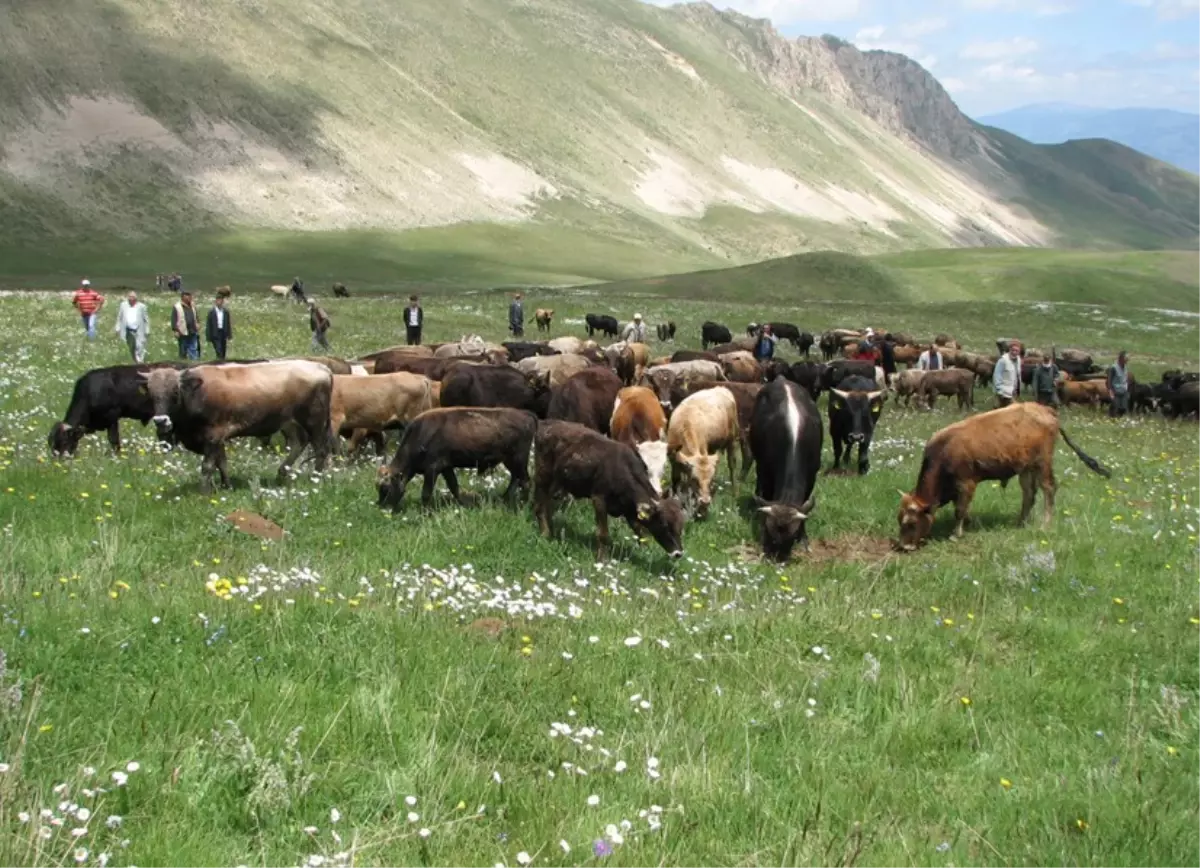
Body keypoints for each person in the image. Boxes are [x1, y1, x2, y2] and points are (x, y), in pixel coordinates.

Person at [113, 291, 150, 363]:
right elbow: (119, 317)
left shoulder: (142, 306)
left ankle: (140, 362)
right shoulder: (123, 305)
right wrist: (117, 327)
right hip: (128, 330)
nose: (130, 298)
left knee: (140, 346)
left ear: (136, 298)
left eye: (132, 297)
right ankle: (135, 360)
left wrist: (147, 330)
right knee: (131, 347)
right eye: (129, 297)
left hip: (139, 330)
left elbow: (146, 319)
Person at [992, 340, 1022, 408]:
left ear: (1019, 351)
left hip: (1013, 392)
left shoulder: (1018, 360)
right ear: (1009, 349)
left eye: (1016, 351)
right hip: (1003, 393)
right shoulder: (1003, 361)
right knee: (1000, 412)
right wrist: (1000, 391)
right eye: (1013, 350)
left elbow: (1018, 375)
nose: (1014, 352)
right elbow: (997, 376)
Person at [171, 291, 201, 360]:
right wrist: (175, 330)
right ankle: (183, 363)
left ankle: (194, 363)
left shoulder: (192, 305)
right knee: (183, 350)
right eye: (187, 295)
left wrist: (198, 323)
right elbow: (174, 319)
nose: (189, 297)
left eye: (190, 295)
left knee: (194, 349)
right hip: (182, 332)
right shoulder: (177, 307)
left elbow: (196, 316)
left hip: (193, 331)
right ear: (183, 297)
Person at [206, 293, 234, 360]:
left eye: (221, 300)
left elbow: (228, 324)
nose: (219, 302)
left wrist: (229, 335)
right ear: (215, 301)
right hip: (215, 333)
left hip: (223, 332)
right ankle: (219, 361)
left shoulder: (225, 312)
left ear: (223, 302)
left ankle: (222, 361)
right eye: (218, 300)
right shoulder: (212, 312)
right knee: (218, 350)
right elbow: (209, 324)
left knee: (223, 349)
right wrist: (208, 336)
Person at [1107, 351, 1131, 418]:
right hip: (1115, 390)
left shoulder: (1125, 367)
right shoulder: (1113, 368)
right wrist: (1111, 391)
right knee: (1116, 407)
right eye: (1126, 358)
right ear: (1121, 358)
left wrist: (1128, 389)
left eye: (1127, 359)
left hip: (1124, 390)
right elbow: (1109, 380)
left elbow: (1125, 378)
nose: (1127, 360)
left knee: (1123, 408)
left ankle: (1118, 419)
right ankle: (1112, 418)